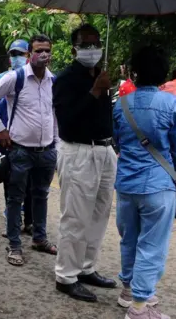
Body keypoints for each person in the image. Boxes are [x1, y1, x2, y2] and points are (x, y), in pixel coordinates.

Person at [113, 46, 176, 319]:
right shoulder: (171, 103)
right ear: (163, 74)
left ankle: (128, 291)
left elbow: (117, 142)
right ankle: (140, 308)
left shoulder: (121, 105)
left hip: (126, 185)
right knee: (152, 244)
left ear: (135, 73)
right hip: (158, 185)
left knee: (129, 239)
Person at [0, 34, 58, 268]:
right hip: (20, 150)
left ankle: (39, 238)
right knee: (15, 198)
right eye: (37, 50)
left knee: (41, 195)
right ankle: (14, 244)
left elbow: (54, 115)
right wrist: (1, 130)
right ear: (29, 54)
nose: (42, 54)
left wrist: (57, 142)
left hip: (47, 150)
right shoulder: (17, 77)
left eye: (46, 50)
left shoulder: (53, 80)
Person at [53, 24, 117, 302]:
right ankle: (66, 275)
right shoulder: (65, 79)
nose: (92, 49)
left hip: (105, 151)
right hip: (78, 151)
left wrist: (104, 89)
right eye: (86, 44)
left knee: (99, 214)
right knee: (76, 216)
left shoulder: (102, 76)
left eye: (96, 43)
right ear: (74, 48)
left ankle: (86, 267)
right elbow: (67, 119)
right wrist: (93, 92)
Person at [0, 39, 34, 237]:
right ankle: (13, 220)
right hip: (6, 138)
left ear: (28, 56)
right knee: (10, 181)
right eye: (13, 54)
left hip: (28, 139)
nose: (16, 58)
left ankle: (30, 221)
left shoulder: (37, 79)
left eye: (20, 54)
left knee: (31, 183)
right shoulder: (2, 78)